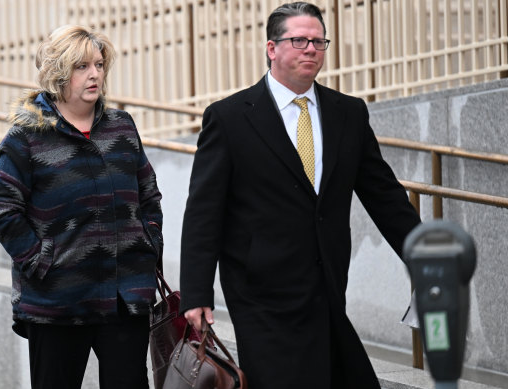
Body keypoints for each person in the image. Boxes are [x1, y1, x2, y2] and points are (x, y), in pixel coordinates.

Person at [179, 2, 421, 388]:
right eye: (299, 40)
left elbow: (385, 196)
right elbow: (204, 212)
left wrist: (424, 255)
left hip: (326, 284)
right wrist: (196, 292)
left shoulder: (349, 113)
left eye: (318, 41)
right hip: (260, 292)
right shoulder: (229, 118)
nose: (311, 48)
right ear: (272, 48)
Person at [0, 25, 162, 389]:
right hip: (57, 302)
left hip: (123, 298)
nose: (94, 73)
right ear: (58, 74)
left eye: (98, 64)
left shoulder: (121, 128)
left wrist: (148, 247)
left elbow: (149, 196)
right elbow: (3, 211)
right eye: (81, 66)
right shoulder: (27, 138)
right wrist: (42, 263)